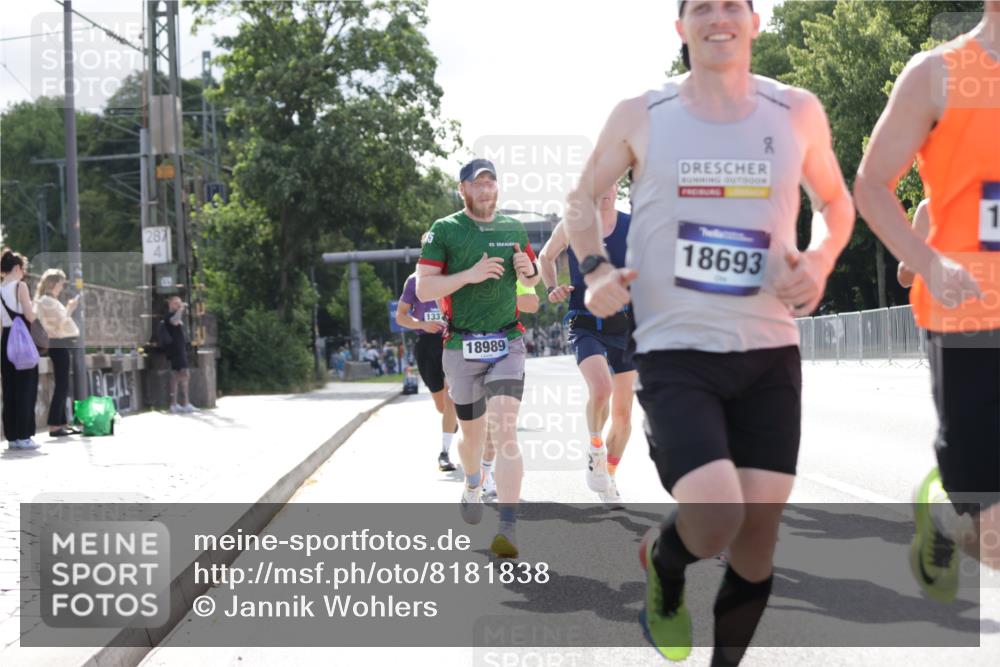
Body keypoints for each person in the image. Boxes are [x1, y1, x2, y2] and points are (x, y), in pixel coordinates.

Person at [565, 1, 854, 662]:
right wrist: (595, 267)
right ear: (681, 28)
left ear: (755, 22)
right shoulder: (642, 114)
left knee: (757, 538)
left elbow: (835, 201)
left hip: (769, 350)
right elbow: (581, 199)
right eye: (702, 6)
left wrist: (819, 259)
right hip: (675, 352)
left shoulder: (796, 110)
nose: (718, 16)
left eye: (733, 5)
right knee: (718, 515)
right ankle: (663, 562)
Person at [854, 0, 1000, 598]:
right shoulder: (937, 74)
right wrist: (929, 263)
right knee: (991, 533)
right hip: (972, 318)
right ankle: (950, 518)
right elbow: (871, 185)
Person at [416, 158, 541, 558]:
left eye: (491, 182)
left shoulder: (513, 228)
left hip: (508, 340)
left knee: (505, 431)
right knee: (472, 437)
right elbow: (423, 289)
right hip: (460, 345)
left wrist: (530, 270)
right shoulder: (444, 230)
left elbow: (531, 279)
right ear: (463, 189)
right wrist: (469, 275)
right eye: (478, 183)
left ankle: (508, 526)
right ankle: (473, 482)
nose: (486, 189)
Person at [540, 182, 634, 508]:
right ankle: (595, 448)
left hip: (625, 324)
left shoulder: (632, 225)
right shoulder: (573, 224)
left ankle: (609, 476)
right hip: (585, 321)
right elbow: (545, 257)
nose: (604, 190)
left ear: (617, 188)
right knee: (601, 388)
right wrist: (552, 287)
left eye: (610, 184)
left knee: (623, 417)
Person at [396, 259, 459, 472]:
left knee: (450, 397)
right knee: (442, 406)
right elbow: (400, 316)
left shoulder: (453, 275)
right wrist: (422, 324)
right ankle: (452, 422)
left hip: (452, 341)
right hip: (426, 344)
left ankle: (444, 453)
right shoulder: (414, 281)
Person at [33, 269, 81, 437]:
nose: (62, 287)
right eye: (61, 283)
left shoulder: (48, 300)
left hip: (57, 343)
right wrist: (70, 308)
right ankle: (55, 425)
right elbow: (60, 322)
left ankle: (61, 423)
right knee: (62, 384)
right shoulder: (47, 301)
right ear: (53, 283)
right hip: (56, 343)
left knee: (63, 384)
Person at [1, 251, 41, 450]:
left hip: (6, 340)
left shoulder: (0, 289)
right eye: (23, 269)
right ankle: (25, 436)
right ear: (17, 268)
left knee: (10, 389)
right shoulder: (20, 286)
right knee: (26, 387)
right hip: (22, 339)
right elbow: (29, 315)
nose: (23, 273)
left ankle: (13, 437)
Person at [162, 296, 195, 414]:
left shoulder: (176, 315)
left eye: (179, 303)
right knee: (185, 374)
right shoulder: (169, 316)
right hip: (176, 350)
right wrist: (180, 309)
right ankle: (185, 403)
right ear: (170, 304)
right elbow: (175, 322)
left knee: (176, 376)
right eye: (176, 303)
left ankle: (175, 404)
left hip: (179, 349)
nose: (178, 305)